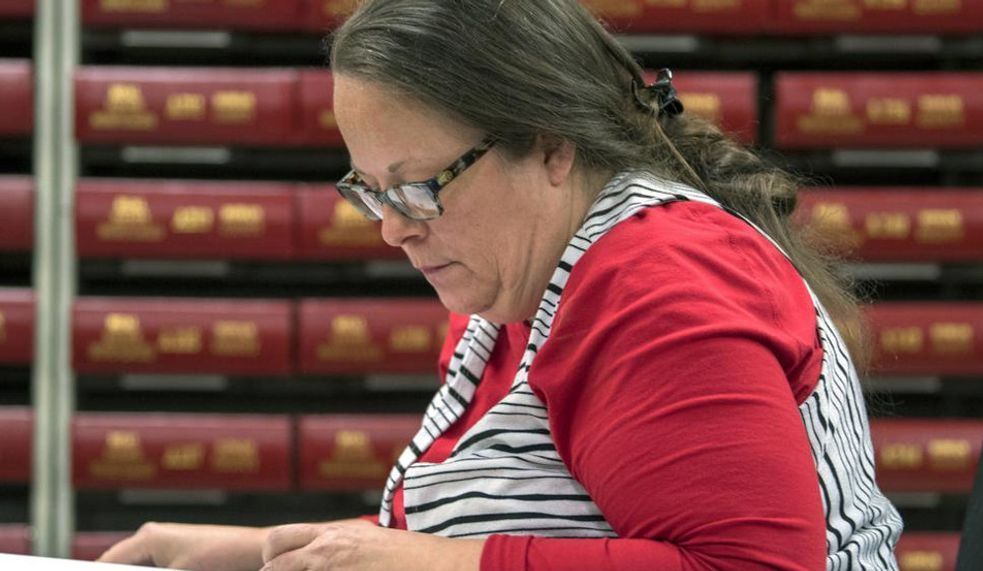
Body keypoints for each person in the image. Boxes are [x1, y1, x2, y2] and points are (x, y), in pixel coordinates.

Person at [98, 1, 904, 569]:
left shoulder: (660, 287)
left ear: (549, 147)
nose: (393, 227)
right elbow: (517, 533)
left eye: (419, 185)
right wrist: (257, 552)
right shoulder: (513, 279)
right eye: (369, 190)